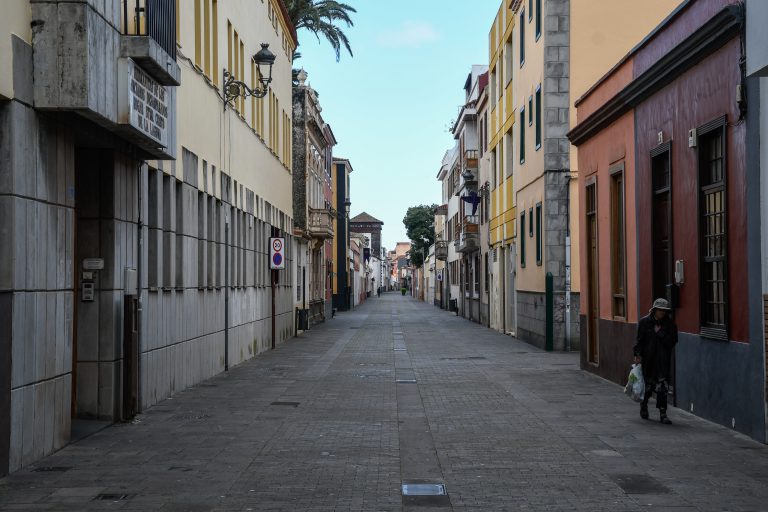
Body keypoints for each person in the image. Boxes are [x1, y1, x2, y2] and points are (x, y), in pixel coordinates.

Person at [633, 298, 678, 424]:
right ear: (654, 310)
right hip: (648, 360)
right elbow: (639, 340)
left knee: (662, 388)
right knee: (647, 387)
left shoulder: (670, 325)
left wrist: (661, 333)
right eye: (660, 310)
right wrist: (637, 354)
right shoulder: (644, 322)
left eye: (664, 310)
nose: (662, 313)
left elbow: (673, 341)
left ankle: (663, 413)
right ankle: (644, 406)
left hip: (663, 360)